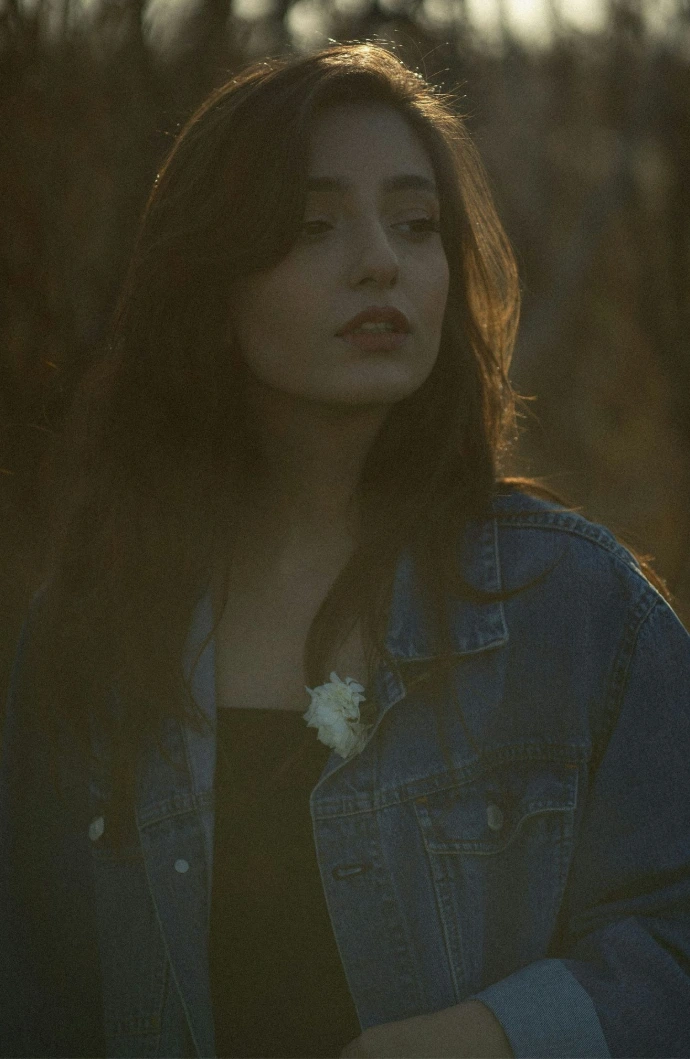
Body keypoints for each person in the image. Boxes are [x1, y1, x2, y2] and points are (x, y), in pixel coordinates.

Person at [1, 41, 689, 1059]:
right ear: (212, 282)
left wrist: (494, 1036)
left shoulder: (581, 608)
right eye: (315, 225)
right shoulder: (92, 632)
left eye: (416, 225)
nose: (382, 261)